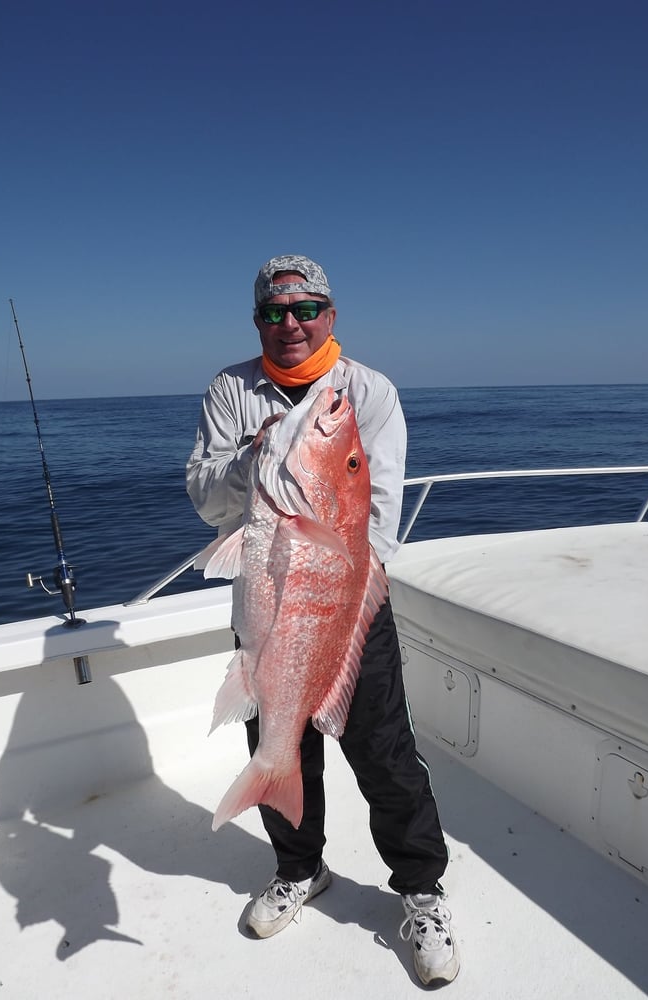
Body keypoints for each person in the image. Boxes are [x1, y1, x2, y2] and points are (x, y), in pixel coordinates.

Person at [186, 254, 460, 988]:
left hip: (340, 605)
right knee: (279, 740)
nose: (291, 325)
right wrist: (256, 464)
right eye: (274, 313)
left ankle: (422, 893)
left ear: (330, 316)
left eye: (305, 309)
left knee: (385, 753)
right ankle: (298, 869)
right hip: (267, 604)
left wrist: (335, 597)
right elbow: (207, 501)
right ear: (258, 322)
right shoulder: (230, 390)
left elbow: (380, 517)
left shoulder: (366, 393)